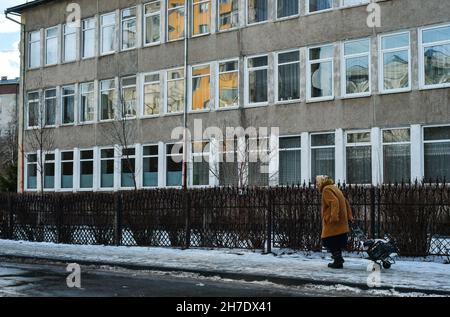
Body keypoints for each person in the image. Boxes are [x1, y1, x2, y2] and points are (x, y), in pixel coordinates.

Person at [316, 175, 353, 269]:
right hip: (341, 221)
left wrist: (333, 217)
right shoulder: (334, 188)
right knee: (336, 241)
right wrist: (349, 216)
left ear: (321, 182)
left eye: (317, 183)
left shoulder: (326, 190)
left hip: (334, 221)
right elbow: (345, 202)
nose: (316, 185)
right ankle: (338, 260)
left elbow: (334, 202)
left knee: (328, 240)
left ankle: (338, 260)